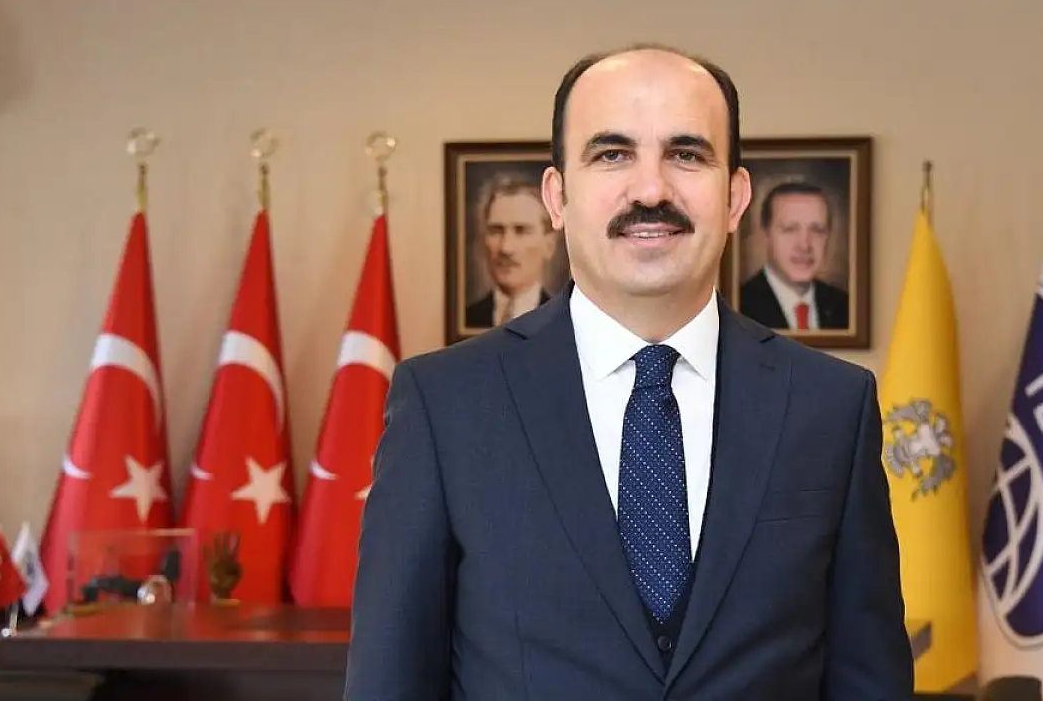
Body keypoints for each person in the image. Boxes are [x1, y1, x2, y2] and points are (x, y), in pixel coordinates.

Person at [345, 43, 913, 700]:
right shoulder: (445, 406)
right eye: (612, 154)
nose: (650, 190)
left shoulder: (831, 407)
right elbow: (389, 682)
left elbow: (870, 681)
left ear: (735, 198)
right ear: (557, 196)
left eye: (687, 154)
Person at [739, 180, 851, 330]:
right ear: (765, 234)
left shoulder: (845, 307)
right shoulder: (739, 306)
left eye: (817, 230)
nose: (804, 245)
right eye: (790, 229)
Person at [464, 173, 557, 327]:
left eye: (521, 231)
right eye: (496, 231)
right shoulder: (467, 318)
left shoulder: (565, 322)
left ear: (549, 245)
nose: (506, 248)